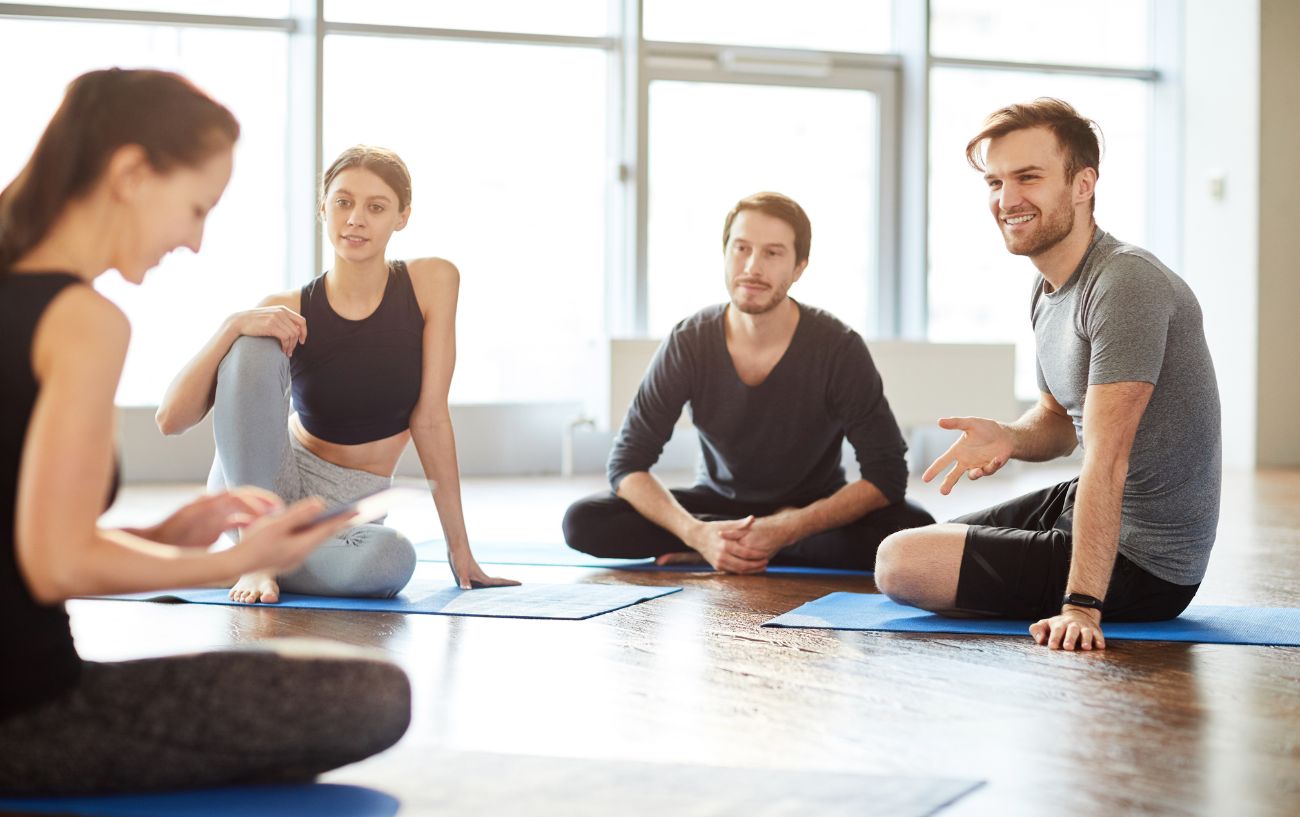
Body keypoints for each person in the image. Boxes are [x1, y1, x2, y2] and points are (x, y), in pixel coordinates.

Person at [0, 68, 409, 793]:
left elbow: (25, 541)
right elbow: (52, 565)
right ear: (130, 172)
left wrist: (162, 535)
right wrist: (231, 561)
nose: (193, 240)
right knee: (375, 694)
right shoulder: (82, 321)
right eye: (195, 207)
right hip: (31, 715)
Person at [874, 98, 1221, 651]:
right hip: (1084, 503)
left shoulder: (1125, 284)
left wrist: (1081, 606)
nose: (1007, 200)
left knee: (901, 564)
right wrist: (1010, 437)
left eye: (1028, 178)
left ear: (1083, 184)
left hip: (1147, 562)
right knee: (922, 542)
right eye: (995, 182)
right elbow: (1060, 424)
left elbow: (1107, 457)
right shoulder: (1048, 289)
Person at [157, 145, 517, 602]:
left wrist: (460, 550)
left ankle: (241, 563)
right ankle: (257, 555)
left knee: (392, 559)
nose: (356, 219)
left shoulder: (433, 283)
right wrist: (232, 325)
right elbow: (171, 420)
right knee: (252, 339)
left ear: (402, 216)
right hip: (263, 485)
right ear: (322, 209)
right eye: (343, 202)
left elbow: (429, 418)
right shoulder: (287, 308)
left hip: (344, 512)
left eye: (376, 207)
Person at [563, 192, 933, 573]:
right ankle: (730, 547)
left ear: (799, 267)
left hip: (809, 508)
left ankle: (752, 549)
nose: (753, 267)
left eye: (773, 253)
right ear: (725, 253)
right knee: (583, 521)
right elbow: (626, 465)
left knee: (914, 530)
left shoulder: (838, 346)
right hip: (717, 506)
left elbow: (887, 475)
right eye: (741, 248)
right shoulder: (689, 341)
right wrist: (696, 533)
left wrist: (787, 528)